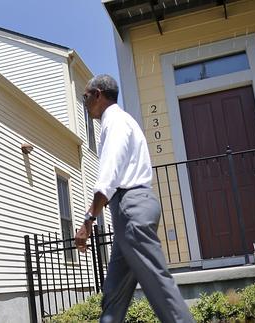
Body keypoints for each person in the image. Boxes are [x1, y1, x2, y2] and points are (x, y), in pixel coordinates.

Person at [75, 75, 194, 323]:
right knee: (114, 294)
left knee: (158, 284)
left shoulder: (115, 122)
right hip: (130, 210)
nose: (84, 103)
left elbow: (107, 178)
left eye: (85, 97)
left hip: (131, 209)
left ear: (98, 94)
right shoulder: (123, 121)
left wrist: (88, 221)